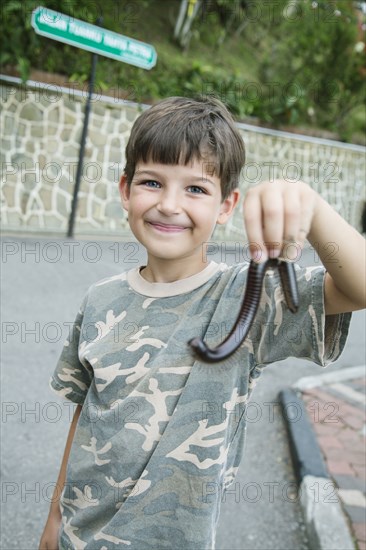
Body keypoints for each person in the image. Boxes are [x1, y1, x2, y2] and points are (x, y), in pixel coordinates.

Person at [39, 96, 365, 550]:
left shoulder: (247, 303)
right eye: (152, 182)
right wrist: (55, 518)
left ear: (226, 206)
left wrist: (310, 207)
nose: (169, 205)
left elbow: (360, 286)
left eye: (195, 189)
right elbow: (84, 413)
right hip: (80, 537)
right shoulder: (99, 300)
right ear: (125, 190)